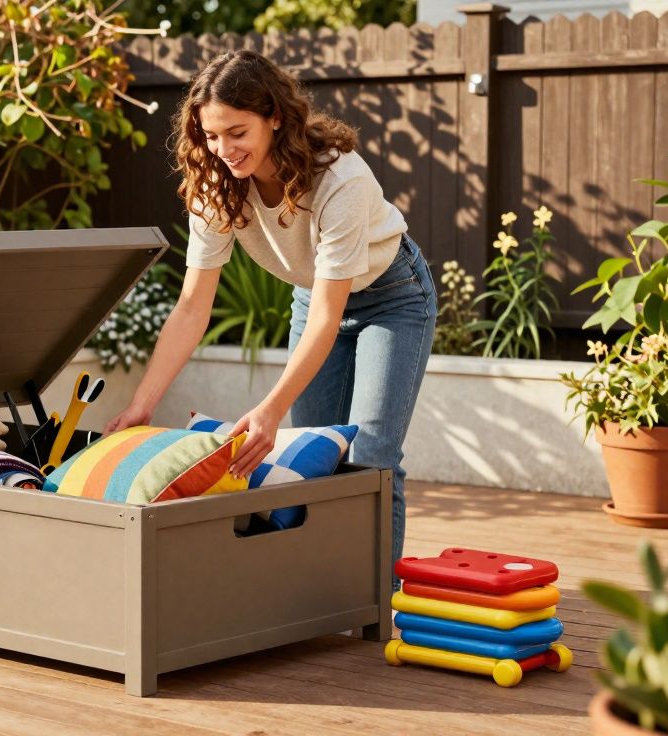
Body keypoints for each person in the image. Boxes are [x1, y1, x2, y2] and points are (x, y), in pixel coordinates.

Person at [103, 49, 437, 579]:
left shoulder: (339, 181)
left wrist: (270, 408)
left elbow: (332, 315)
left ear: (275, 117)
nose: (223, 149)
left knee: (372, 458)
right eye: (211, 136)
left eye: (237, 132)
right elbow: (193, 305)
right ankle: (322, 592)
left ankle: (376, 602)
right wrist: (141, 405)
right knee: (316, 457)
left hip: (390, 298)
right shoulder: (215, 185)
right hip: (314, 295)